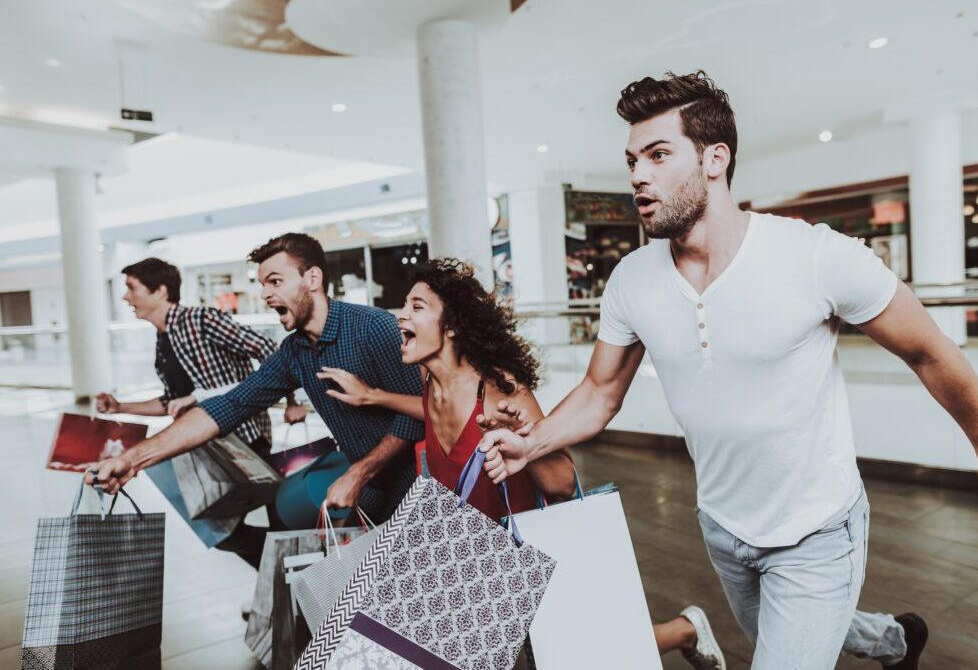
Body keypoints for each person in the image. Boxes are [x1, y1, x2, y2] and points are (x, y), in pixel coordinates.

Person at [478, 71, 968, 669]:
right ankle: (895, 639)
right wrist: (531, 443)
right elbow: (601, 392)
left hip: (815, 529)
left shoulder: (815, 256)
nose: (638, 174)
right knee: (798, 632)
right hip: (723, 528)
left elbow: (932, 352)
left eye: (659, 155)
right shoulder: (632, 279)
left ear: (716, 158)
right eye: (633, 159)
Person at [317, 258, 727, 668]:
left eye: (417, 306)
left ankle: (684, 629)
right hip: (472, 557)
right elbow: (433, 412)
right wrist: (374, 396)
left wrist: (523, 442)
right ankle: (682, 629)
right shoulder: (431, 385)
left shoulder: (497, 391)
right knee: (554, 648)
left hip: (524, 552)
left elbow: (563, 483)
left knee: (578, 649)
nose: (401, 315)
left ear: (452, 326)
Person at [90, 233, 424, 524]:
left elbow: (417, 415)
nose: (264, 294)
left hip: (419, 486)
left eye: (275, 281)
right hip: (371, 487)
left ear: (312, 278)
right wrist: (131, 460)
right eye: (262, 284)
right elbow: (230, 405)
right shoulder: (294, 351)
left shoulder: (373, 327)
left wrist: (356, 474)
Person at [95, 257, 306, 568]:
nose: (126, 297)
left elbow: (269, 349)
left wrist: (293, 400)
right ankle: (286, 579)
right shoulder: (163, 339)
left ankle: (292, 578)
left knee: (222, 527)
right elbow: (172, 401)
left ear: (160, 291)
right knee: (217, 530)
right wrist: (121, 407)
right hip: (202, 447)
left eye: (131, 288)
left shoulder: (201, 320)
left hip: (242, 440)